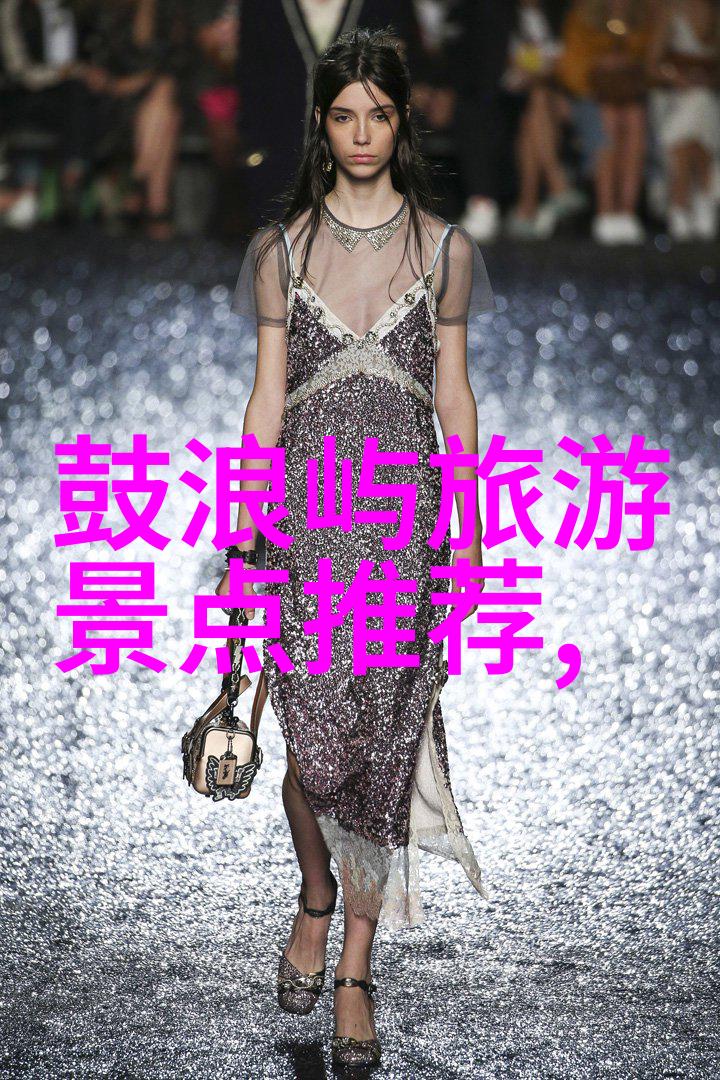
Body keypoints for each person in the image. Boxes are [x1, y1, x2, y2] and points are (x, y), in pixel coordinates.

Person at [218, 25, 496, 1069]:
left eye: (379, 114)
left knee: (384, 748)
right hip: (307, 521)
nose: (363, 133)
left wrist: (470, 537)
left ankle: (354, 969)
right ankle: (315, 891)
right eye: (345, 115)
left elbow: (456, 399)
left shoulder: (444, 251)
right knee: (312, 742)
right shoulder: (281, 251)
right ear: (321, 125)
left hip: (406, 528)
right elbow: (265, 403)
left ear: (401, 121)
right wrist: (246, 531)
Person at [555, 0, 653, 244]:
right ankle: (606, 210)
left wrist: (625, 62)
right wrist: (600, 66)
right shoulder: (582, 17)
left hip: (632, 96)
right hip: (589, 95)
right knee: (607, 117)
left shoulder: (645, 16)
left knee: (634, 117)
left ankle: (627, 212)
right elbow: (571, 69)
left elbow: (651, 61)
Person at [646, 0, 720, 240]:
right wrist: (678, 79)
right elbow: (651, 66)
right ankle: (691, 206)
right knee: (687, 144)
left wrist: (707, 80)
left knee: (698, 137)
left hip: (708, 99)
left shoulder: (716, 14)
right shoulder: (671, 11)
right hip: (673, 100)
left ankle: (688, 209)